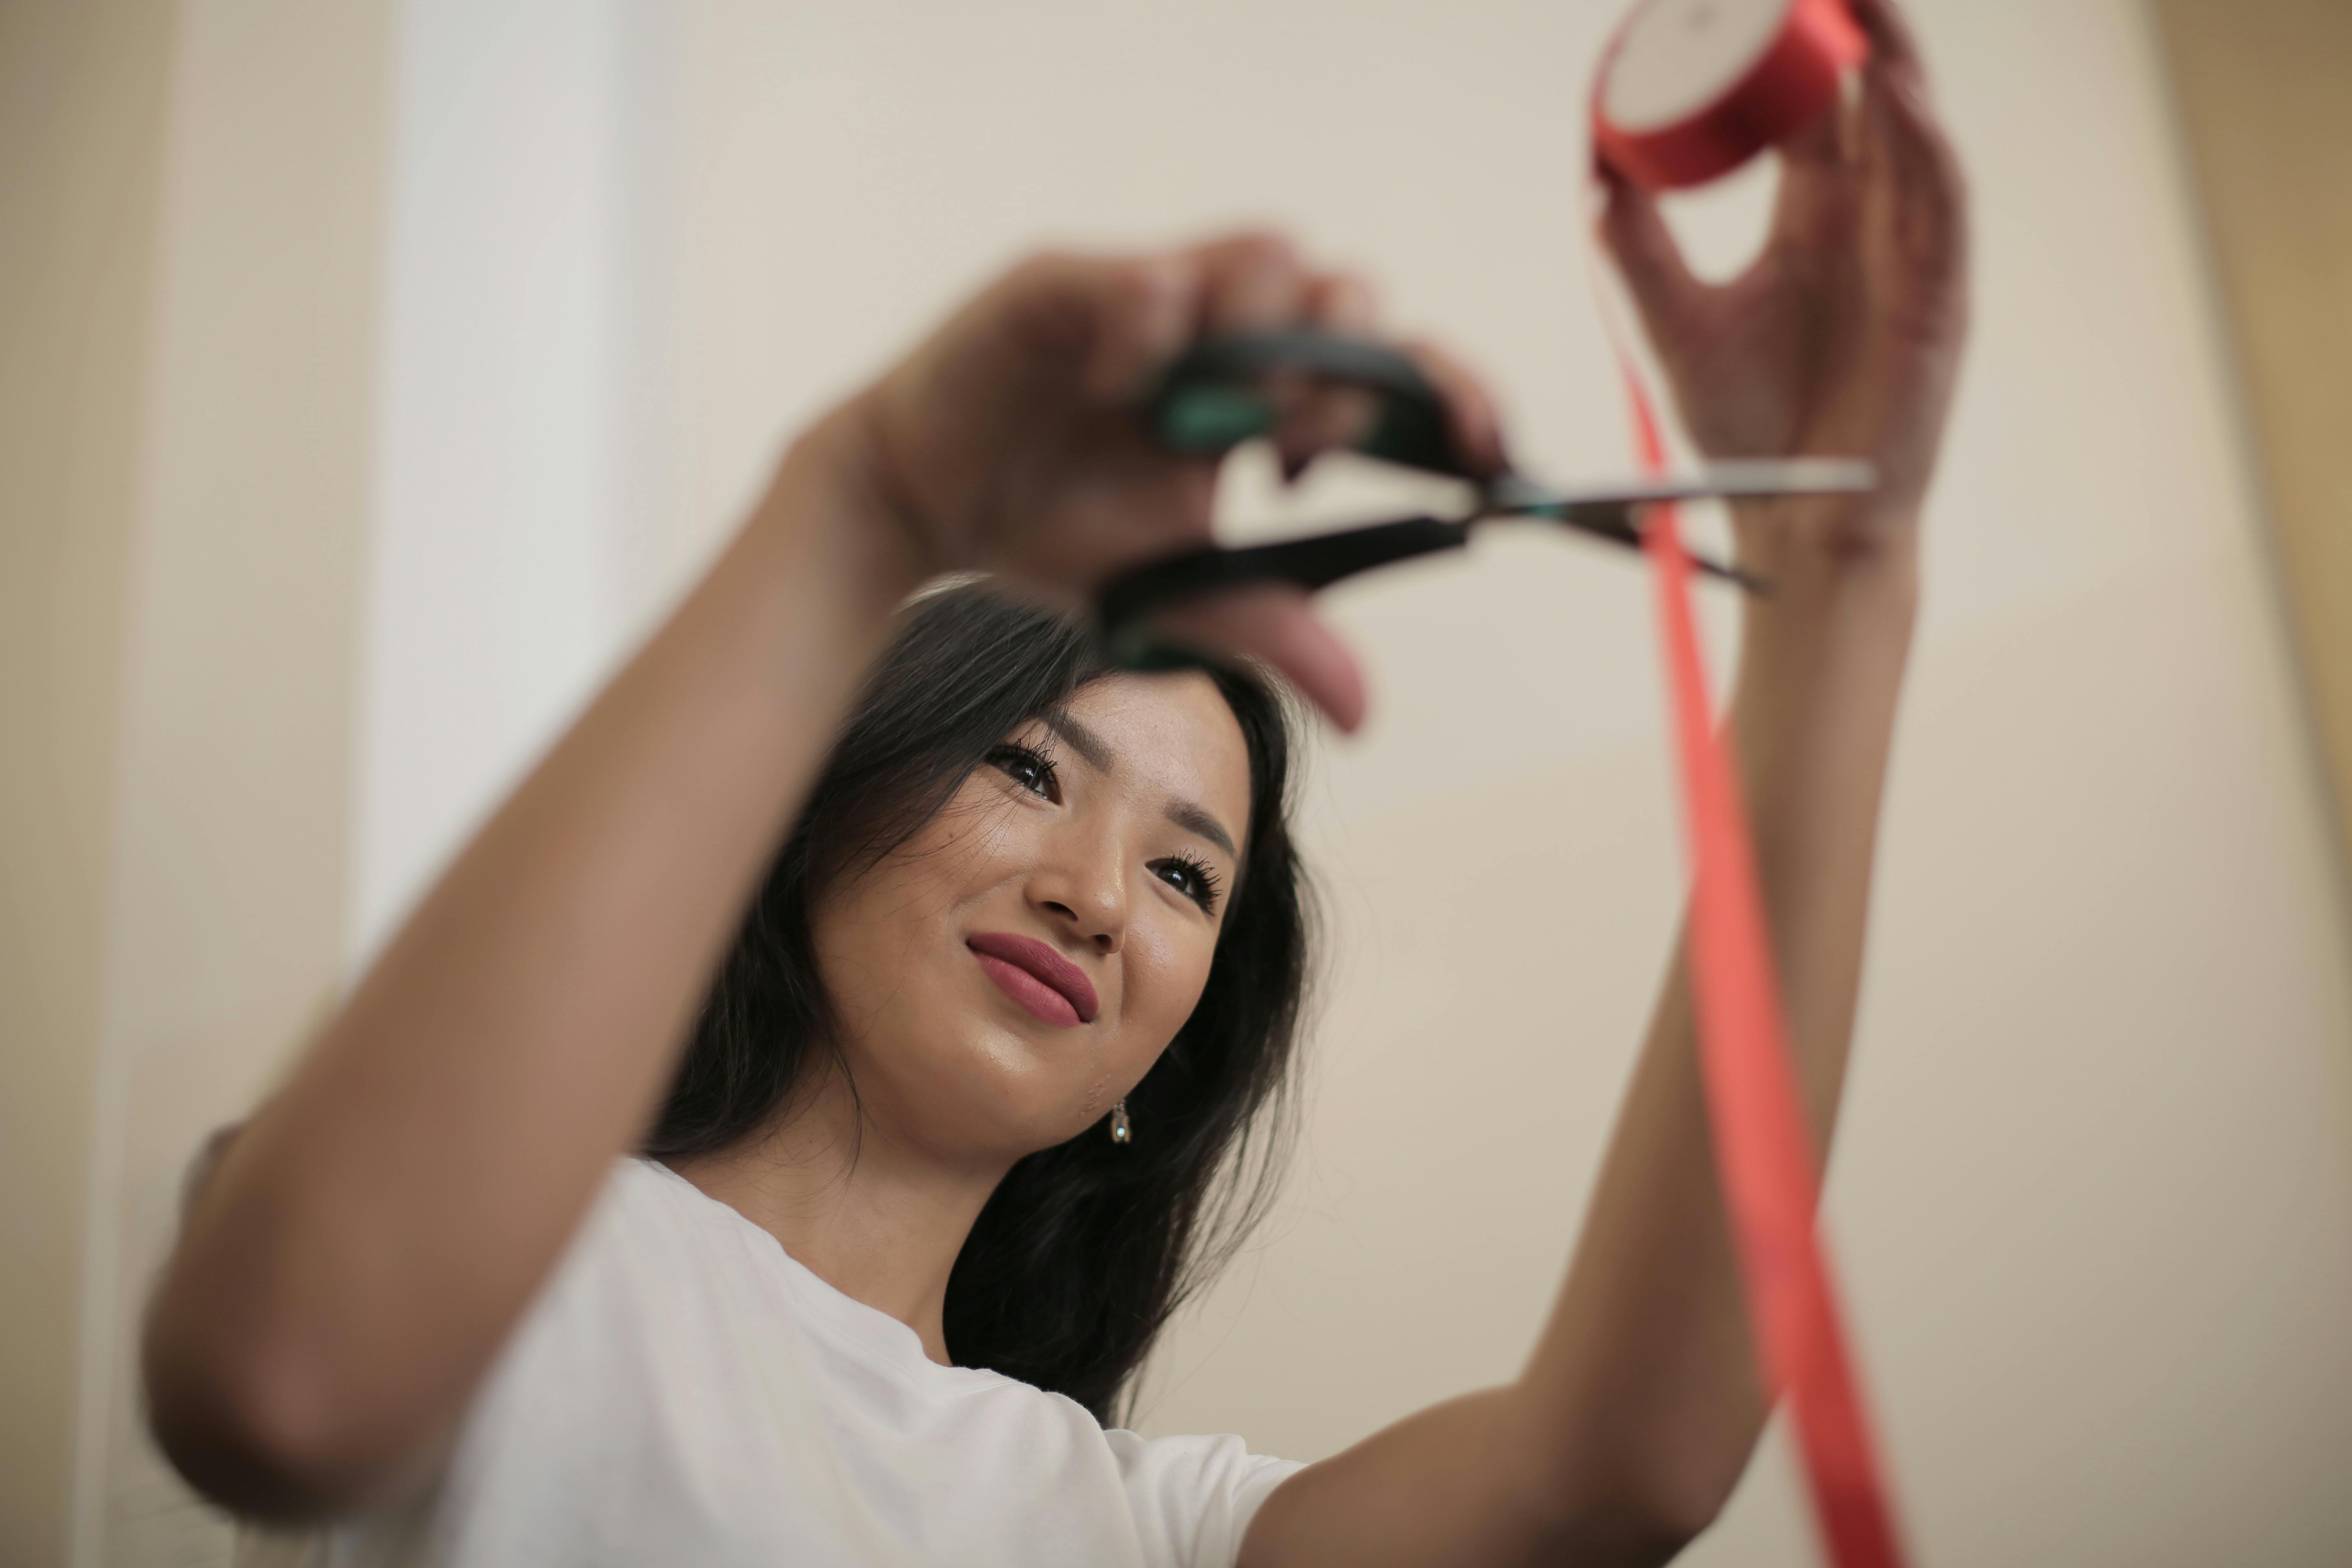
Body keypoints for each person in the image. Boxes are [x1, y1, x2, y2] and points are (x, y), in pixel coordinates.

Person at [144, 3, 1967, 1563]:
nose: (1099, 893)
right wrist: (862, 500)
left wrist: (1848, 573)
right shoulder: (517, 1238)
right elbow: (278, 1380)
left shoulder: (1127, 1519)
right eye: (1031, 768)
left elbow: (1621, 1470)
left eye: (1188, 878)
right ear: (829, 807)